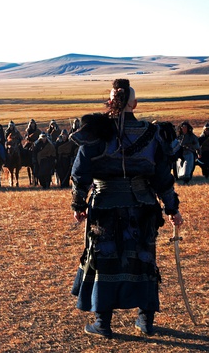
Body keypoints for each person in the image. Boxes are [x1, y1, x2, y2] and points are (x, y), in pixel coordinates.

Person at [70, 79, 183, 338]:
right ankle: (145, 321)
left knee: (104, 260)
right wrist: (172, 208)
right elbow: (162, 176)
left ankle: (102, 323)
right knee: (143, 260)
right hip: (142, 208)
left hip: (105, 207)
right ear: (135, 103)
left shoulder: (95, 133)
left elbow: (80, 172)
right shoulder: (151, 133)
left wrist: (78, 203)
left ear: (111, 101)